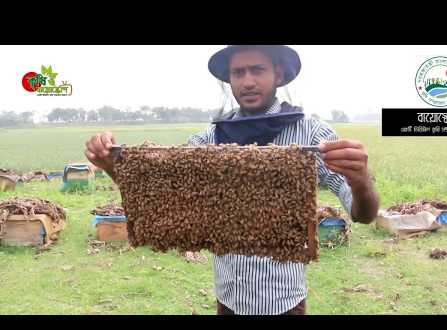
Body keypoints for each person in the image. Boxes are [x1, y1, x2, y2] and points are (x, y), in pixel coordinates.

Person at [85, 45, 380, 315]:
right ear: (229, 79)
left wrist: (361, 180)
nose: (248, 81)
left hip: (285, 304)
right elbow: (160, 201)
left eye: (258, 70)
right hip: (228, 300)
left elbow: (363, 214)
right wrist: (113, 167)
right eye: (239, 72)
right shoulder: (208, 140)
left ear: (278, 74)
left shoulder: (312, 134)